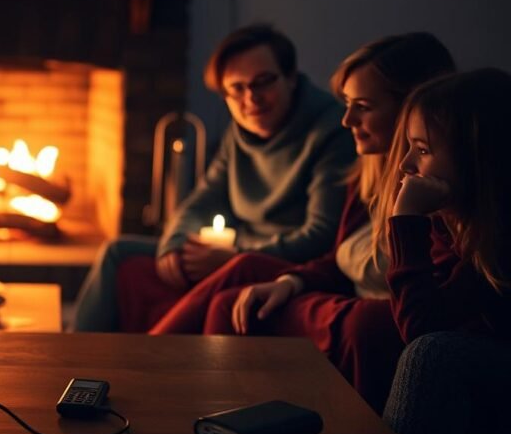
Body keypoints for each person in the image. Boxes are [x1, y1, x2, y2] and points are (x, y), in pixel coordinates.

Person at [166, 33, 455, 413]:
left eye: (363, 106)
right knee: (225, 293)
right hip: (339, 296)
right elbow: (338, 255)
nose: (347, 120)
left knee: (346, 316)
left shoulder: (433, 191)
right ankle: (199, 403)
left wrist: (406, 218)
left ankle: (158, 371)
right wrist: (292, 281)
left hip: (362, 314)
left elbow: (323, 240)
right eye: (347, 104)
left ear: (409, 108)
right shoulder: (367, 172)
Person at [72, 23, 356, 332]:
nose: (251, 98)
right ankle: (77, 351)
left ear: (290, 78)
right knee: (117, 253)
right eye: (237, 88)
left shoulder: (332, 130)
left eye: (263, 82)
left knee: (237, 267)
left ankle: (153, 346)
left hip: (273, 263)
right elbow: (203, 200)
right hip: (233, 250)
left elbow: (320, 235)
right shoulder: (240, 131)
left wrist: (234, 254)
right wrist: (175, 242)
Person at [376, 69, 511, 434]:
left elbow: (422, 332)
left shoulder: (499, 236)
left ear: (476, 157)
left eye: (422, 149)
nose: (405, 164)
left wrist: (405, 220)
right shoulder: (452, 225)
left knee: (432, 355)